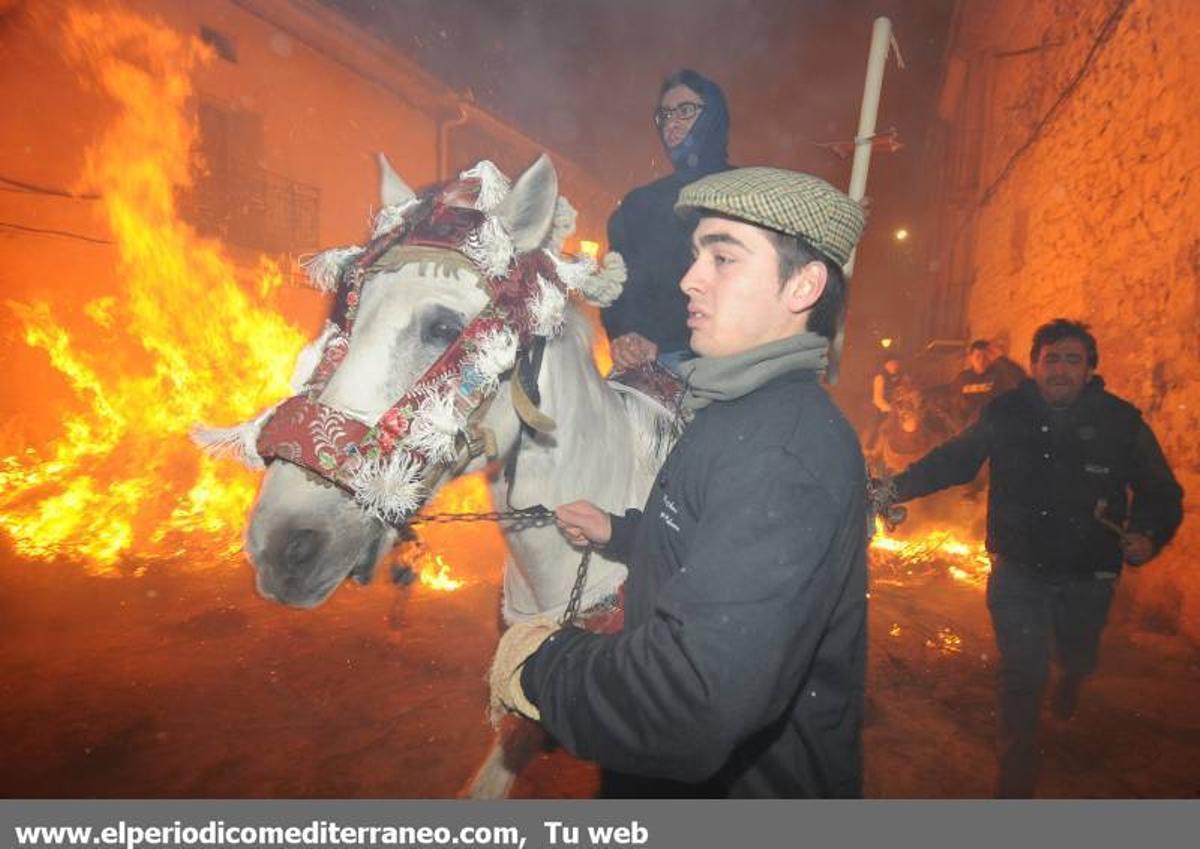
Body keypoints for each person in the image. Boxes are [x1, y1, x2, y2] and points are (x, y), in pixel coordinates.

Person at [489, 167, 869, 797]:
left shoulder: (779, 449)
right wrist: (622, 532)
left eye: (723, 258)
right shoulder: (737, 411)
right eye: (696, 257)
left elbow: (691, 702)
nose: (689, 279)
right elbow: (712, 544)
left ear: (803, 285)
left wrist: (540, 663)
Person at [881, 318, 1183, 797]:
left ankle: (1073, 678)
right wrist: (893, 487)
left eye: (1072, 360)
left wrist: (1148, 533)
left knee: (1077, 655)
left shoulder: (1120, 422)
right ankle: (1015, 781)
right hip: (1018, 569)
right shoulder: (1007, 412)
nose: (1061, 369)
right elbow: (955, 459)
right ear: (1035, 366)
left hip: (1089, 572)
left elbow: (1160, 490)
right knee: (1023, 672)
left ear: (1089, 370)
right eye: (1051, 359)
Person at [602, 69, 731, 374]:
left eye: (686, 111)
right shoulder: (639, 204)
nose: (671, 122)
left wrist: (669, 344)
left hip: (717, 367)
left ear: (713, 116)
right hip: (642, 366)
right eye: (665, 114)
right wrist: (624, 336)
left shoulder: (743, 197)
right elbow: (619, 284)